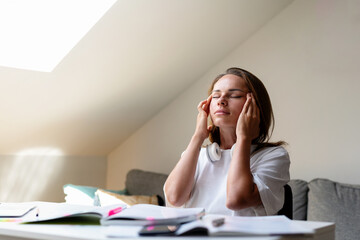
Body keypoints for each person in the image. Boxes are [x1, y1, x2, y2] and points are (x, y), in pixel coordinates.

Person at [163, 67, 290, 216]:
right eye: (216, 96)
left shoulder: (274, 156)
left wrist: (243, 138)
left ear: (256, 107)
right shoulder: (198, 155)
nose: (221, 101)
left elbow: (236, 200)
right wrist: (198, 137)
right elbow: (174, 198)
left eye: (234, 95)